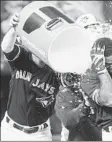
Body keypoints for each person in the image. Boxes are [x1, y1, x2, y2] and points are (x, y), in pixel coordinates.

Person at [0, 13, 60, 141]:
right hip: (10, 131)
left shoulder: (57, 69)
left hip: (40, 134)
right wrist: (14, 28)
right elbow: (6, 47)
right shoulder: (22, 57)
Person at [55, 73, 103, 141]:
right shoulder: (64, 93)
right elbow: (67, 120)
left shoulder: (94, 82)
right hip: (77, 135)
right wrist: (85, 106)